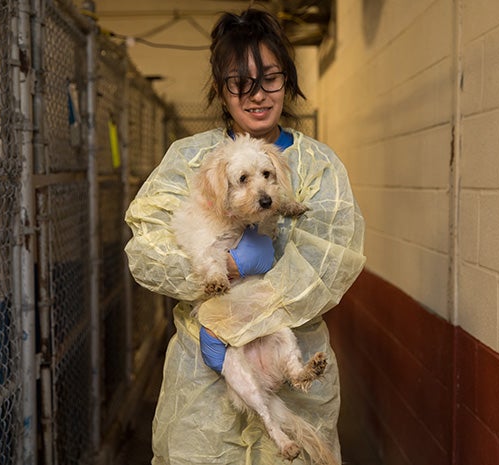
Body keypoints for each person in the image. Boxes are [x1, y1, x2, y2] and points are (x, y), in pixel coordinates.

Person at [124, 8, 365, 464]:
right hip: (204, 373)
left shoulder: (320, 166)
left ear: (288, 80)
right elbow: (146, 251)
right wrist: (229, 267)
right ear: (221, 89)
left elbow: (332, 261)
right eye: (240, 83)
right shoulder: (190, 160)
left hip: (290, 361)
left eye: (270, 79)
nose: (257, 96)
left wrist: (256, 302)